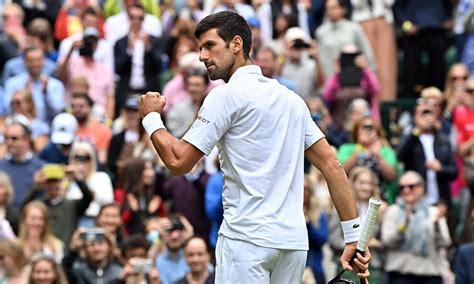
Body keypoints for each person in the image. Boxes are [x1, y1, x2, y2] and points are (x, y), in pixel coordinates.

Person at [139, 11, 370, 283]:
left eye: (210, 45)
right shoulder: (292, 99)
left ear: (236, 44)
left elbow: (179, 162)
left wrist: (152, 117)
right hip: (292, 245)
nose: (202, 56)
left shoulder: (224, 96)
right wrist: (353, 237)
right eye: (200, 48)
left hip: (246, 242)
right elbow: (332, 166)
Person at [381, 171, 452, 284]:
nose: (406, 190)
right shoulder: (393, 211)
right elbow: (388, 242)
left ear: (422, 188)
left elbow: (444, 243)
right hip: (400, 274)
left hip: (429, 273)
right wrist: (404, 225)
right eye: (402, 187)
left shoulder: (434, 212)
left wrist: (437, 225)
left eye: (411, 186)